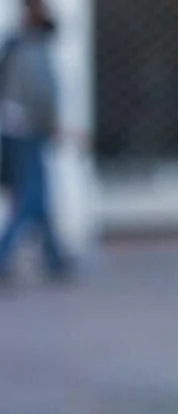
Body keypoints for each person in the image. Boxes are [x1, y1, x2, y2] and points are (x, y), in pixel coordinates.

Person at [0, 0, 66, 283]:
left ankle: (55, 259)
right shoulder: (31, 48)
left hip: (16, 132)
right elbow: (40, 94)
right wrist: (51, 124)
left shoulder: (16, 47)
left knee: (39, 198)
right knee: (31, 197)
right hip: (28, 132)